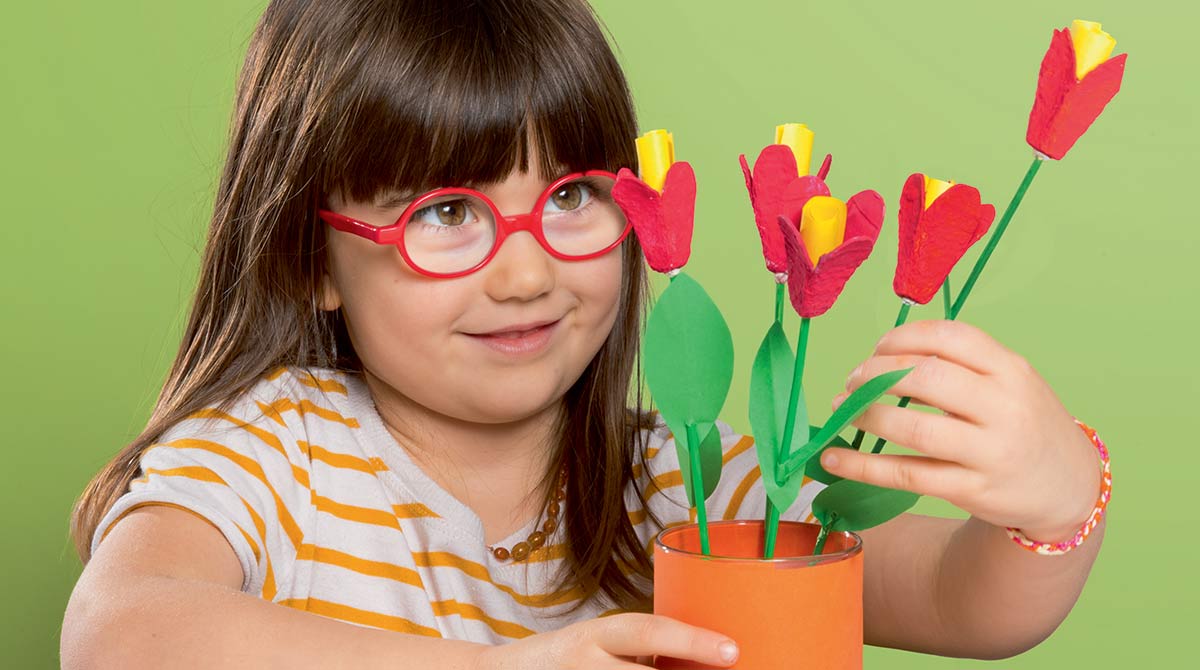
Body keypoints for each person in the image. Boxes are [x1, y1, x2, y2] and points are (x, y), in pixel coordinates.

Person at [60, 1, 1108, 667]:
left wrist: (1060, 501)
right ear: (310, 257)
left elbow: (959, 603)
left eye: (571, 197)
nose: (527, 271)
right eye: (445, 214)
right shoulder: (271, 455)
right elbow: (120, 633)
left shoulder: (679, 482)